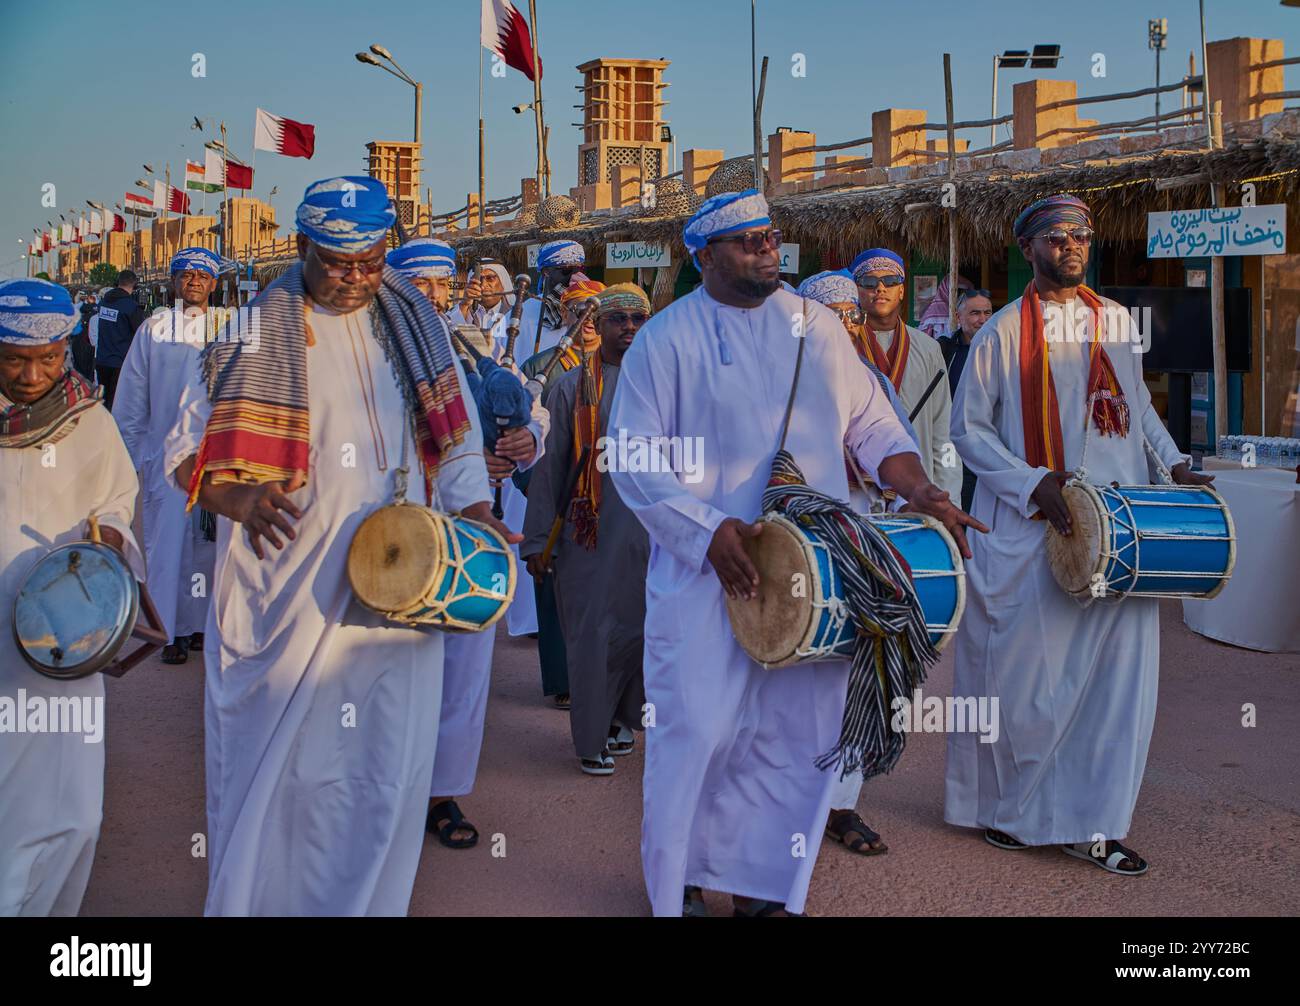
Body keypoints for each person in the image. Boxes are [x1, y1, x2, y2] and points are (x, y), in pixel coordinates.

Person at [608, 190, 982, 917]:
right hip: (705, 577)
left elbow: (874, 425)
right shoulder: (666, 338)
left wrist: (921, 490)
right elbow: (633, 458)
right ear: (704, 256)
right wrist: (704, 529)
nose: (764, 250)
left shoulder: (817, 329)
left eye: (769, 236)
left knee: (794, 734)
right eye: (745, 241)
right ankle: (678, 885)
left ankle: (763, 889)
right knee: (699, 731)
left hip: (812, 575)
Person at [165, 176, 508, 915]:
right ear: (301, 248)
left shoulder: (415, 326)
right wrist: (237, 497)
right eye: (336, 260)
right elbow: (182, 453)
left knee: (383, 771)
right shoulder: (249, 336)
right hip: (288, 596)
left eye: (370, 258)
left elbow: (457, 443)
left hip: (400, 595)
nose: (355, 276)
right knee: (285, 779)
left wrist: (476, 513)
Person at [945, 193, 1213, 876]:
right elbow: (966, 430)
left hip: (1120, 532)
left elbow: (1138, 408)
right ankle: (1014, 812)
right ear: (1028, 247)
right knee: (1032, 687)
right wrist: (1031, 481)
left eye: (1082, 236)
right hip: (1038, 530)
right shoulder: (1001, 333)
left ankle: (1095, 825)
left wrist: (1174, 461)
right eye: (1057, 237)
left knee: (1115, 690)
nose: (1072, 246)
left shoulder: (1116, 321)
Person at [387, 236, 546, 850]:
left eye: (442, 284)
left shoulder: (475, 344)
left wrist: (526, 438)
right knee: (389, 664)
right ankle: (385, 788)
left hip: (470, 527)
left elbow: (529, 412)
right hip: (397, 527)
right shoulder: (375, 350)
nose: (432, 295)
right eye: (419, 283)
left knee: (462, 662)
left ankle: (442, 792)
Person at [0, 278, 143, 915]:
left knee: (74, 814)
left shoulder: (90, 422)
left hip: (64, 643)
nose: (33, 375)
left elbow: (117, 502)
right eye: (14, 359)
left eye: (48, 359)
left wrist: (109, 535)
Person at [796, 268, 922, 857]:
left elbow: (893, 445)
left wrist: (915, 491)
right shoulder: (782, 381)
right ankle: (790, 799)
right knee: (789, 672)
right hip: (793, 545)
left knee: (854, 671)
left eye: (851, 317)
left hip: (860, 540)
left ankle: (842, 804)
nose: (845, 327)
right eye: (832, 317)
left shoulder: (868, 382)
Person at [522, 283, 651, 775]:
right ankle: (589, 738)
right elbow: (549, 470)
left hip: (646, 534)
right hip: (588, 532)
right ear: (601, 326)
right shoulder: (569, 387)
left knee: (638, 633)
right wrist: (538, 541)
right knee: (592, 635)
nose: (630, 329)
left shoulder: (662, 385)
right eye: (618, 320)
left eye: (638, 320)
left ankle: (622, 721)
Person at [113, 248, 226, 664]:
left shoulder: (230, 326)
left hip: (214, 459)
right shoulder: (154, 329)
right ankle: (167, 630)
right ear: (173, 283)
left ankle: (197, 627)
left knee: (207, 550)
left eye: (202, 275)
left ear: (213, 284)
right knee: (167, 548)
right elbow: (131, 398)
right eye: (185, 274)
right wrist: (130, 457)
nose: (193, 280)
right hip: (164, 456)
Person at [514, 278, 605, 708]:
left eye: (594, 309)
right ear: (565, 313)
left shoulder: (627, 364)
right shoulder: (539, 367)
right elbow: (518, 432)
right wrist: (537, 485)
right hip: (554, 493)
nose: (586, 318)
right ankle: (562, 679)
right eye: (577, 309)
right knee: (553, 588)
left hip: (606, 494)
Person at [852, 249, 963, 507]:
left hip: (918, 491)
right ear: (857, 290)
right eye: (869, 282)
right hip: (859, 493)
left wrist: (949, 496)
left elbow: (943, 430)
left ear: (902, 290)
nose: (880, 288)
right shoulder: (845, 347)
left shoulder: (928, 348)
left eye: (890, 281)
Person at [938, 288, 994, 511]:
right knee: (952, 497)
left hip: (987, 441)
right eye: (975, 313)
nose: (983, 320)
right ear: (958, 317)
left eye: (988, 313)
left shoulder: (1001, 352)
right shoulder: (944, 350)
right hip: (950, 444)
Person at [518, 239, 585, 358]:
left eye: (579, 270)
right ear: (546, 272)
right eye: (567, 270)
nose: (575, 276)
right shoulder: (522, 313)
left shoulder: (586, 307)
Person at [92, 269, 145, 409]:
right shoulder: (131, 307)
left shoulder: (104, 302)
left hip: (102, 359)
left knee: (104, 401)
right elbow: (140, 334)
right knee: (118, 403)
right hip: (120, 362)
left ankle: (103, 426)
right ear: (134, 285)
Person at [916, 272, 972, 341]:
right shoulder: (933, 312)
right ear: (946, 290)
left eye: (962, 291)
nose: (958, 295)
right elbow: (924, 339)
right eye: (955, 291)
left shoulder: (967, 310)